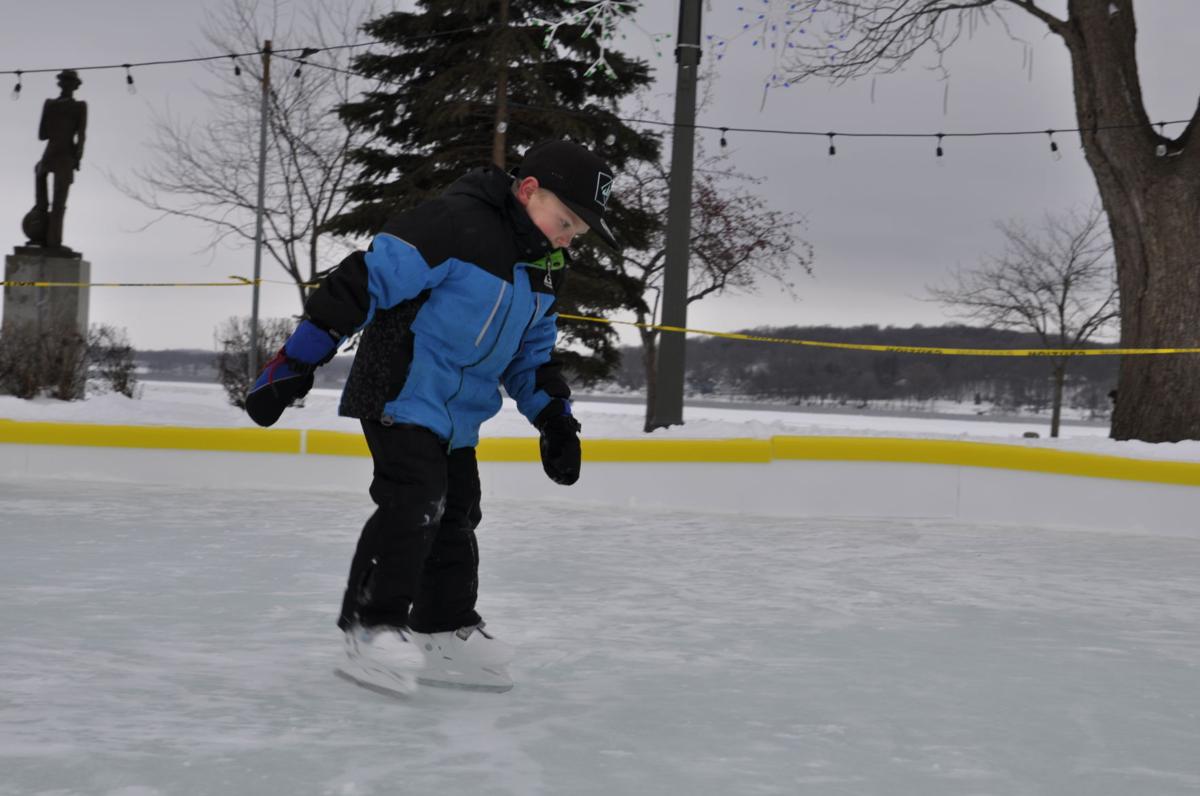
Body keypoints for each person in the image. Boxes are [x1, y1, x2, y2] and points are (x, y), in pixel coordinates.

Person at [245, 139, 617, 693]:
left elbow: (532, 356)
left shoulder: (543, 268)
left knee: (458, 511)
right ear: (530, 190)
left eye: (575, 234)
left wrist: (555, 419)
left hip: (457, 413)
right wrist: (295, 361)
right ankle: (371, 626)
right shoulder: (456, 222)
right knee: (415, 498)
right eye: (564, 222)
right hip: (399, 386)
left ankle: (443, 631)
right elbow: (363, 280)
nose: (566, 239)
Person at [28, 69, 88, 252]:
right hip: (64, 156)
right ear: (75, 86)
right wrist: (77, 157)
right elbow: (81, 135)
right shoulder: (79, 106)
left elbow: (42, 134)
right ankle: (50, 240)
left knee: (50, 197)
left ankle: (45, 236)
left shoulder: (50, 104)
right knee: (58, 202)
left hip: (53, 153)